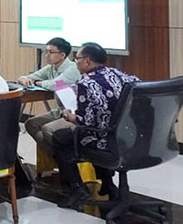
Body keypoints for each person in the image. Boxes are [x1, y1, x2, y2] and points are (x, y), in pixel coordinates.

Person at [51, 42, 140, 209]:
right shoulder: (121, 75)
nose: (75, 62)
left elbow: (85, 122)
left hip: (106, 140)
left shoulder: (85, 82)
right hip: (131, 137)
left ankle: (77, 188)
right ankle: (108, 184)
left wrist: (70, 116)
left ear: (87, 61)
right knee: (90, 133)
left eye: (77, 58)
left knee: (60, 138)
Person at [19, 37, 82, 155]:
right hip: (61, 111)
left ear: (62, 55)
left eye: (50, 52)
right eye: (46, 51)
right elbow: (28, 77)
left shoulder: (73, 68)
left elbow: (55, 84)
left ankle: (64, 157)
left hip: (75, 113)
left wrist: (37, 82)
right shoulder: (51, 68)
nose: (46, 55)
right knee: (31, 124)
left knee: (47, 129)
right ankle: (56, 155)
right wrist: (24, 79)